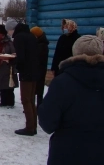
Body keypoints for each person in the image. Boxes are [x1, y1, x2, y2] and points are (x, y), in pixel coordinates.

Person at [38, 35, 104, 165]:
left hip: (67, 153)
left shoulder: (62, 82)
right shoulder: (63, 81)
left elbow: (47, 123)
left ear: (75, 52)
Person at [12, 22, 40, 136]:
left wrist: (13, 62)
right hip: (35, 71)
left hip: (26, 73)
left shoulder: (19, 38)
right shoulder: (31, 36)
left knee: (26, 100)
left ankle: (29, 128)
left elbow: (21, 57)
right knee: (31, 100)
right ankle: (33, 126)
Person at [30, 26, 49, 108]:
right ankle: (34, 106)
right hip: (38, 69)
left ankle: (38, 107)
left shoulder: (42, 45)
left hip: (39, 69)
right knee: (35, 89)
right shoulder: (38, 43)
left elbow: (38, 58)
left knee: (38, 88)